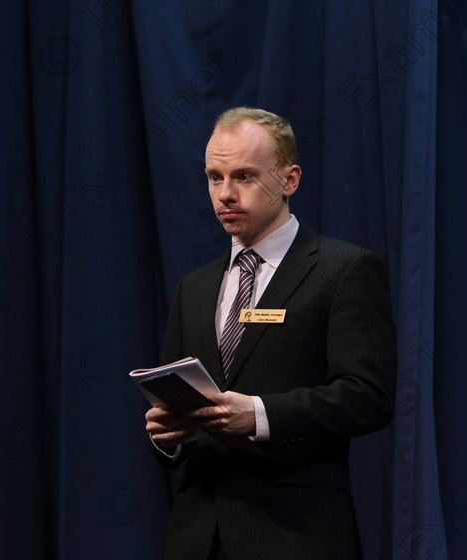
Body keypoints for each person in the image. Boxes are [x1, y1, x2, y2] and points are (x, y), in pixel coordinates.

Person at [144, 106, 397, 559]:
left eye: (243, 176)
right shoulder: (194, 287)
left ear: (290, 180)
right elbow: (177, 401)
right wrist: (166, 437)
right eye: (214, 177)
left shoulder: (345, 270)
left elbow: (368, 397)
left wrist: (260, 415)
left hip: (297, 533)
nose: (225, 194)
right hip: (199, 537)